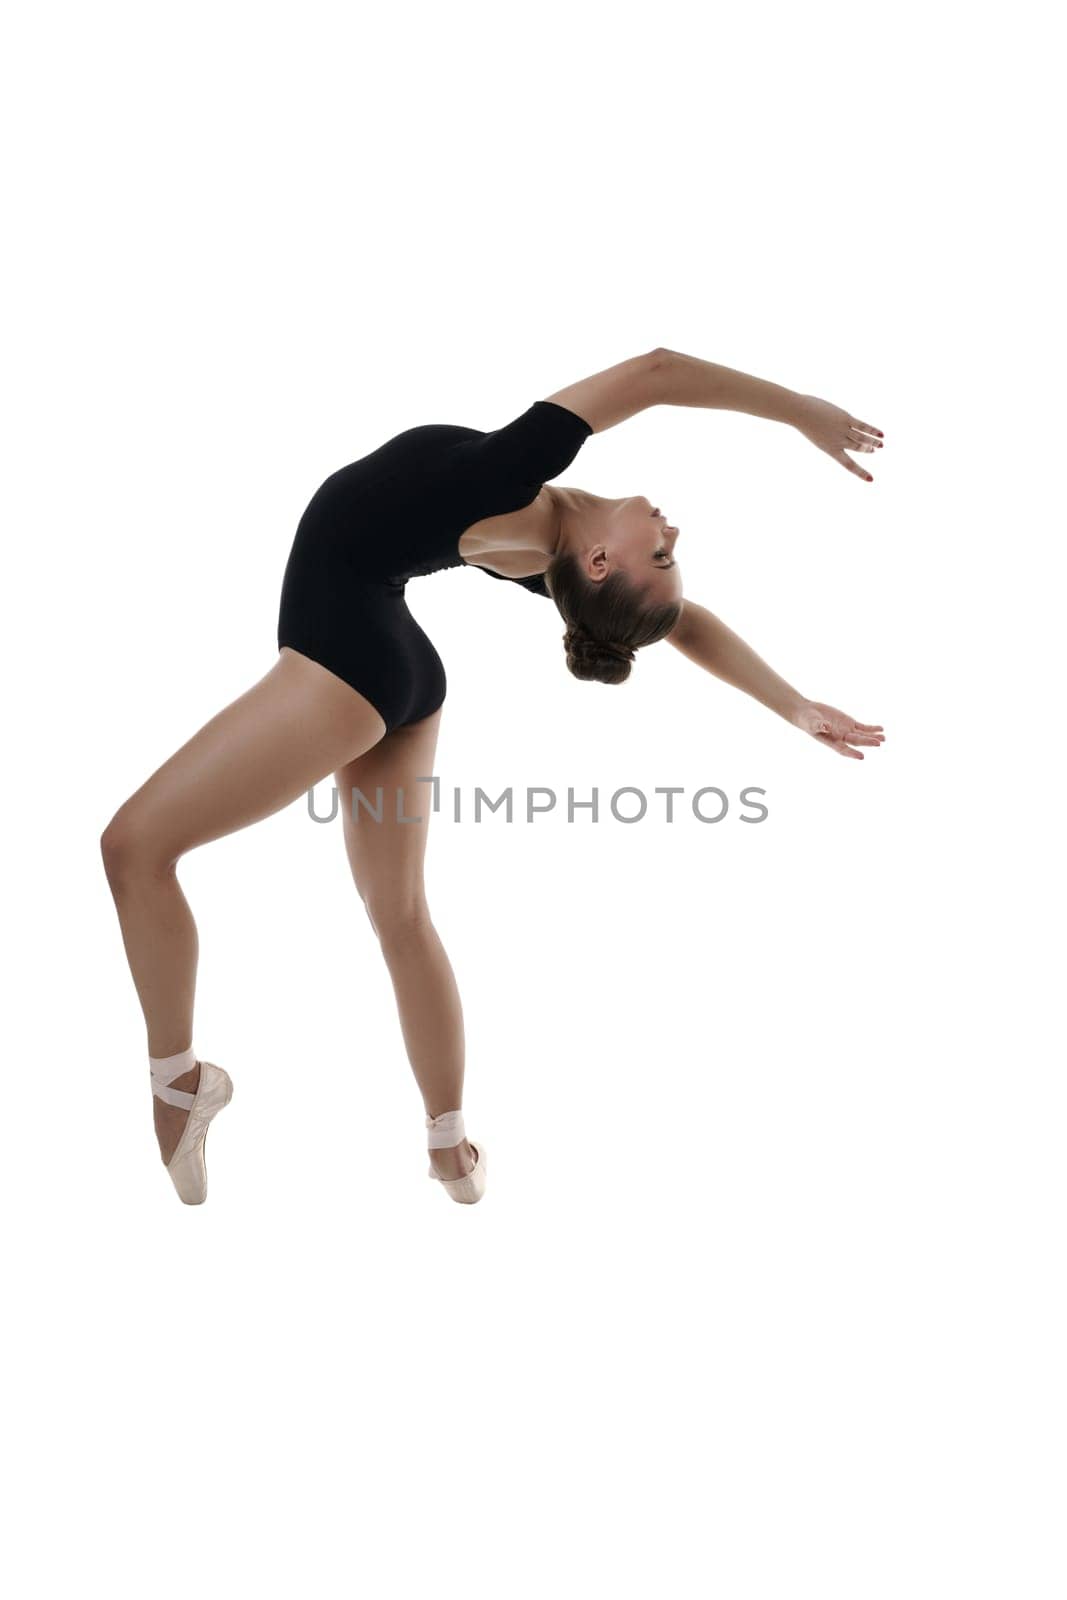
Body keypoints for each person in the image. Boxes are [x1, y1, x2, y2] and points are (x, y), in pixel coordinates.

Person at [100, 346, 886, 1205]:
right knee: (399, 916)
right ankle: (450, 1148)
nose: (671, 535)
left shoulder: (516, 481)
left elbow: (657, 372)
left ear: (598, 568)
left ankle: (179, 1086)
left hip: (347, 658)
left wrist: (800, 411)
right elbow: (678, 619)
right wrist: (794, 705)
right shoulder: (540, 547)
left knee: (135, 847)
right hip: (398, 668)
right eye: (668, 551)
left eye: (657, 555)